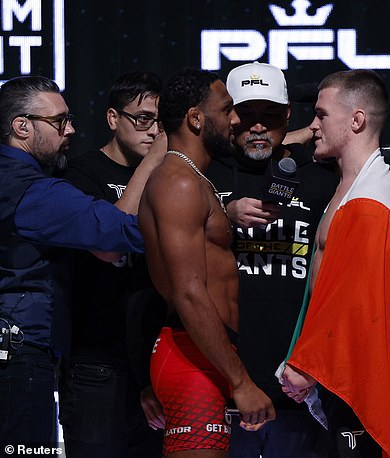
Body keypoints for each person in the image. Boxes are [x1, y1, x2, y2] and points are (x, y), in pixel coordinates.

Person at [0, 76, 163, 446]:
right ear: (22, 126)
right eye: (59, 121)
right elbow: (123, 231)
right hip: (21, 357)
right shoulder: (33, 191)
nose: (71, 129)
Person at [281, 70, 390, 457]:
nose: (313, 125)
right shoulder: (350, 188)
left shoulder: (373, 199)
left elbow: (355, 301)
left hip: (363, 382)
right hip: (343, 378)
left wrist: (307, 364)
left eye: (321, 114)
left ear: (356, 119)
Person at [138, 68, 276, 457]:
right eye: (227, 109)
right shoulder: (178, 182)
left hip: (204, 352)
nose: (236, 120)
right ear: (196, 118)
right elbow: (189, 292)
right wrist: (241, 382)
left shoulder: (193, 178)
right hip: (190, 355)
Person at [205, 62, 337, 457]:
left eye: (270, 115)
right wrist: (221, 215)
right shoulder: (204, 176)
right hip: (220, 385)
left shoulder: (322, 179)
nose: (257, 126)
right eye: (246, 114)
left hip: (297, 386)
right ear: (228, 115)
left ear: (288, 116)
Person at [57, 71, 165, 457]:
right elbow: (107, 241)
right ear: (112, 119)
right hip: (96, 363)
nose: (153, 131)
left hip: (155, 364)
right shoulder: (80, 174)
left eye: (160, 121)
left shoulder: (172, 177)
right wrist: (152, 164)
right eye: (142, 118)